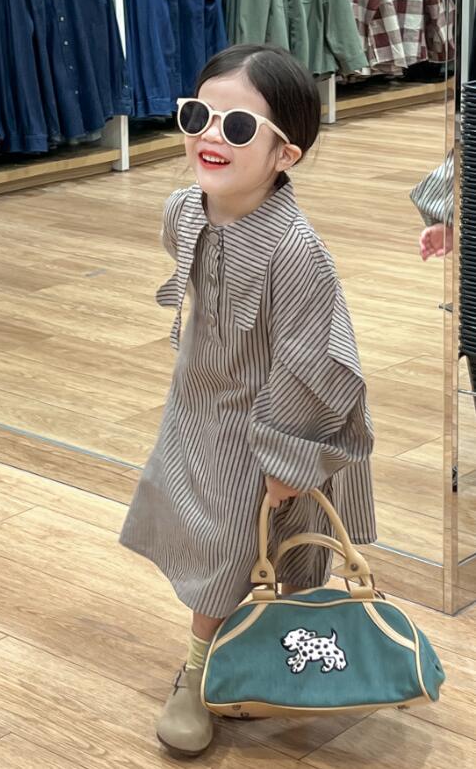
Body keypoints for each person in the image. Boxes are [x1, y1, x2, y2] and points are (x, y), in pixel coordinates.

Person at [119, 44, 376, 758]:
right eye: (197, 116)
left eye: (237, 127)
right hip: (200, 405)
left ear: (285, 153)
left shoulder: (297, 252)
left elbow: (313, 360)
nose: (210, 135)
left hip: (270, 422)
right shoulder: (183, 211)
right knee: (209, 536)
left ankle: (206, 668)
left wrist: (288, 455)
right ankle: (236, 660)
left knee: (246, 545)